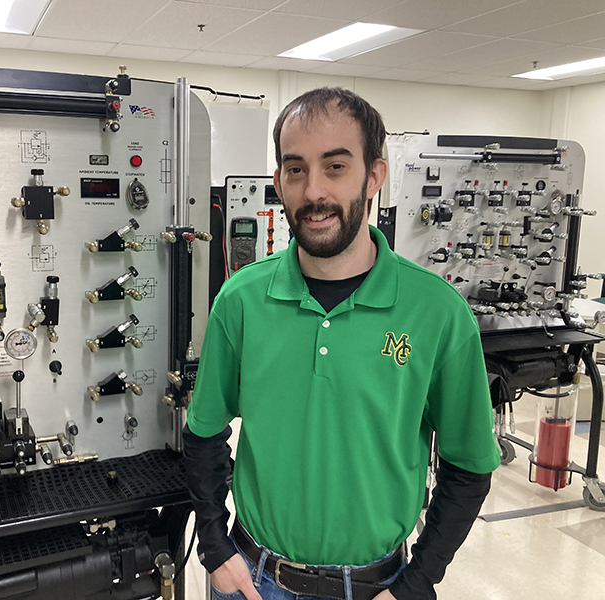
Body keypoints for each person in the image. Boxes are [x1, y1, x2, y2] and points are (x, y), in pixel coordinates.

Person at [183, 87, 501, 600]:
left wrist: (416, 584)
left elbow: (469, 467)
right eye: (295, 169)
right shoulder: (240, 300)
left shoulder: (438, 313)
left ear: (373, 176)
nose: (313, 192)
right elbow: (204, 435)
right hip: (254, 581)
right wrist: (216, 551)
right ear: (278, 182)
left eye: (335, 166)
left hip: (378, 587)